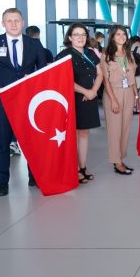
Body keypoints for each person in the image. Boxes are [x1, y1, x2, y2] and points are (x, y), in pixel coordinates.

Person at [0, 8, 47, 196]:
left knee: (31, 140)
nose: (13, 24)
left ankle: (34, 176)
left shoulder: (34, 44)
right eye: (9, 21)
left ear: (23, 22)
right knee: (2, 142)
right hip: (3, 100)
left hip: (28, 100)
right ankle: (2, 182)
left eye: (17, 20)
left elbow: (43, 70)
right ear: (3, 23)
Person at [55, 23, 103, 184]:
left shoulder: (90, 53)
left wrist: (93, 91)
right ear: (70, 37)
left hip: (89, 97)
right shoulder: (64, 55)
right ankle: (73, 168)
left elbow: (100, 74)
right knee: (73, 134)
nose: (80, 37)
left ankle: (82, 166)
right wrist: (86, 92)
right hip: (73, 98)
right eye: (76, 34)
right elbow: (64, 79)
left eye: (83, 34)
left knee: (84, 133)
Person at [101, 25, 138, 176]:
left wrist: (136, 96)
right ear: (112, 37)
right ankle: (116, 162)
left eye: (124, 34)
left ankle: (121, 159)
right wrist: (113, 100)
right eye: (118, 34)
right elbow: (105, 80)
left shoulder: (129, 54)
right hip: (113, 93)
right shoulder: (106, 55)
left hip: (128, 92)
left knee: (125, 128)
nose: (122, 37)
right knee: (115, 130)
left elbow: (132, 77)